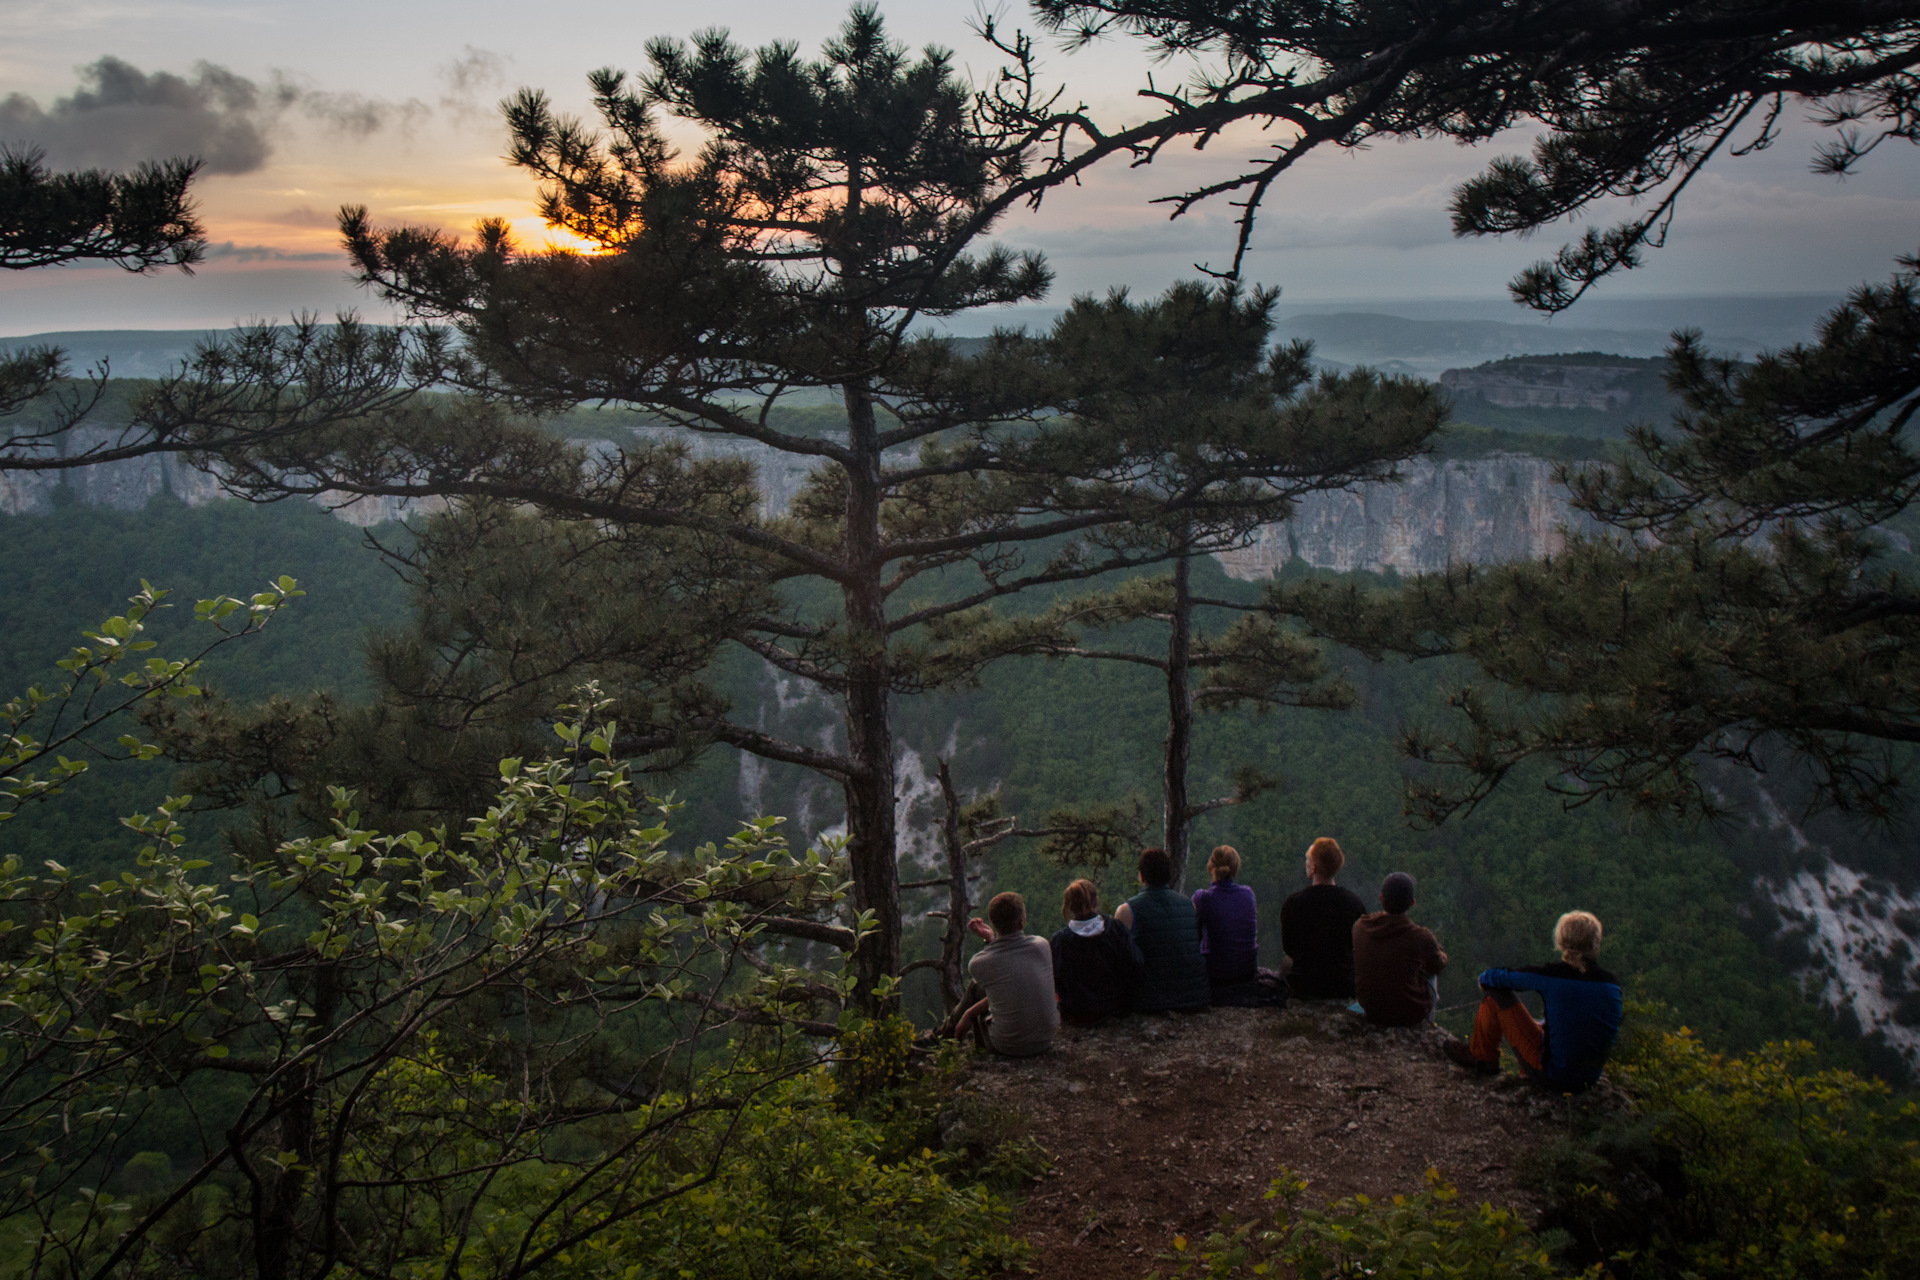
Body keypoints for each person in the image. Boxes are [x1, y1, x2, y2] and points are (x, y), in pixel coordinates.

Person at [1446, 910, 1622, 1090]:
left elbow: (1496, 978)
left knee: (1494, 995)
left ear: (1562, 941)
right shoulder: (1612, 985)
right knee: (1543, 1026)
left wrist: (1483, 980)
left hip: (1554, 1076)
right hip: (1589, 1079)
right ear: (1595, 944)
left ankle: (1482, 1059)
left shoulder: (1552, 976)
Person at [955, 891, 1059, 1056]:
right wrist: (991, 939)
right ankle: (947, 1032)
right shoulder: (1042, 946)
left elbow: (1000, 974)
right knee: (1003, 985)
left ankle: (951, 1038)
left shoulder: (978, 964)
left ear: (994, 924)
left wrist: (970, 1012)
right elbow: (1008, 981)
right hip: (1046, 1038)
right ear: (1021, 922)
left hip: (1008, 1045)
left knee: (976, 988)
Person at [1113, 847, 1210, 1013]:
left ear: (1141, 876)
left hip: (1149, 1000)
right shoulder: (1189, 905)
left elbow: (1116, 957)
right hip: (1194, 997)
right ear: (1168, 875)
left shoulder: (1127, 911)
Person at [1191, 845, 1284, 1007]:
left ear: (1210, 866)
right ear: (1235, 868)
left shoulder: (1202, 898)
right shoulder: (1248, 894)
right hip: (1248, 970)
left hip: (1216, 974)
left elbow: (1193, 935)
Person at [1353, 871, 1448, 1026]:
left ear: (1381, 898)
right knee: (1430, 974)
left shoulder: (1360, 927)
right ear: (1412, 903)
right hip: (1406, 1016)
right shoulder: (1421, 936)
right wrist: (1440, 952)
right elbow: (1438, 965)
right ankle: (1428, 1026)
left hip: (1370, 1009)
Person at [1279, 837, 1367, 1000]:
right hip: (1343, 985)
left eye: (1308, 860)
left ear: (1313, 868)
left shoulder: (1293, 904)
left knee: (1286, 962)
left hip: (1305, 985)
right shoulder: (1354, 904)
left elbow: (1289, 947)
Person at [1050, 878, 1145, 1024]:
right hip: (1115, 1008)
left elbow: (1056, 980)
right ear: (1095, 901)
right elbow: (1136, 963)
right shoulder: (1115, 930)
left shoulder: (1060, 942)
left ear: (1069, 906)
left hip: (1077, 1013)